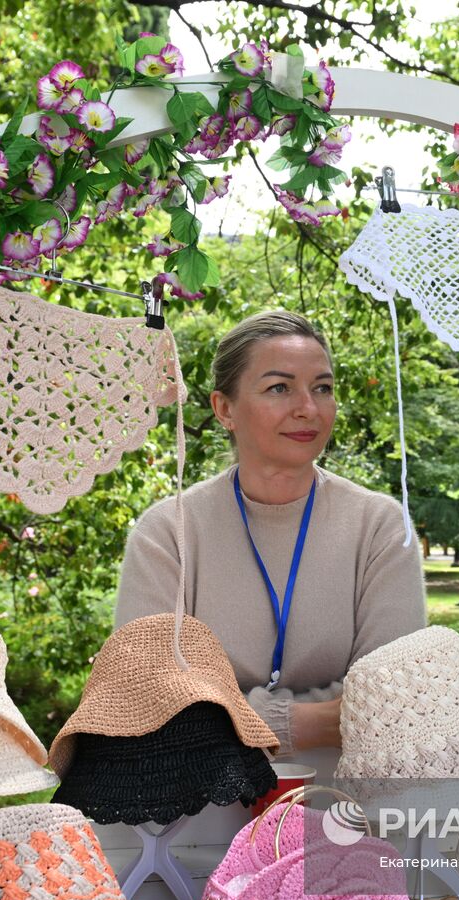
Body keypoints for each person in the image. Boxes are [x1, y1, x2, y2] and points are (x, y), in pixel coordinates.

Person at [114, 310, 427, 764]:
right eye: (279, 387)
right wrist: (315, 720)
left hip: (351, 797)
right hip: (193, 799)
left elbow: (393, 698)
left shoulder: (380, 526)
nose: (309, 407)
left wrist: (228, 715)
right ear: (225, 409)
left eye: (322, 387)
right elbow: (143, 697)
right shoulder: (168, 532)